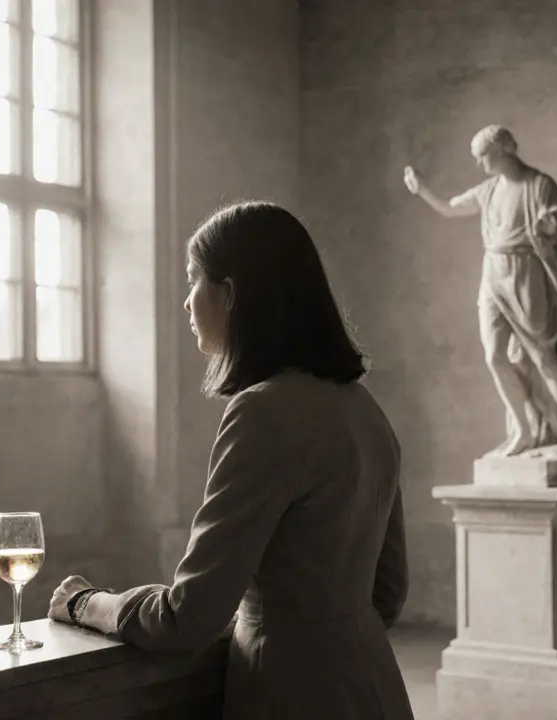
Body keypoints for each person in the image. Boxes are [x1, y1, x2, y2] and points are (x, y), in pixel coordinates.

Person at [47, 201, 415, 720]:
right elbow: (389, 593)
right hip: (373, 684)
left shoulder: (262, 412)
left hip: (290, 694)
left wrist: (87, 604)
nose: (186, 303)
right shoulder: (363, 408)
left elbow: (189, 617)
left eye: (193, 280)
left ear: (232, 294)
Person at [403, 125, 557, 459]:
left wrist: (549, 224)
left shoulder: (539, 185)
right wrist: (422, 189)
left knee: (543, 355)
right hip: (492, 274)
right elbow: (452, 208)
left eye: (484, 156)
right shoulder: (489, 190)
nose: (480, 164)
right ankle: (524, 432)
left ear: (503, 151)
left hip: (526, 274)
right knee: (494, 356)